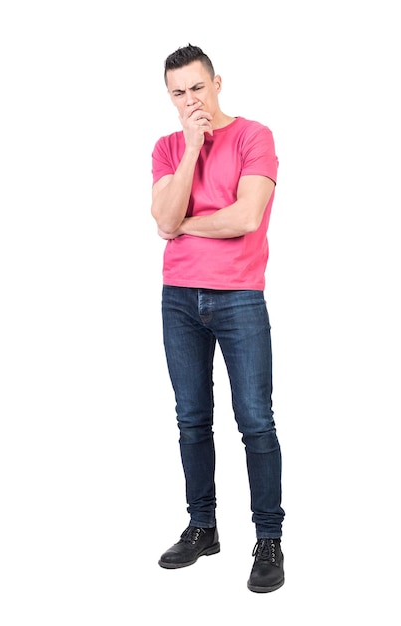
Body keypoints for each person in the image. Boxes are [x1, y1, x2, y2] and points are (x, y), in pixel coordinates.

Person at [150, 44, 285, 593]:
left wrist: (184, 223)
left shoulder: (255, 136)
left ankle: (269, 539)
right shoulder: (166, 147)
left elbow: (247, 216)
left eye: (197, 88)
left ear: (218, 82)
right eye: (178, 93)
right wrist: (190, 150)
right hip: (179, 299)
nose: (191, 100)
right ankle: (203, 527)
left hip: (238, 298)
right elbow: (163, 218)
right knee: (190, 418)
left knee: (255, 420)